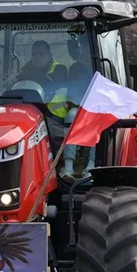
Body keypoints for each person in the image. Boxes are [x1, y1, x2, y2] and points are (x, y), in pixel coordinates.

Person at [47, 37, 96, 180]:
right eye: (83, 48)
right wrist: (77, 104)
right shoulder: (76, 68)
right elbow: (74, 92)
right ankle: (68, 167)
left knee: (98, 121)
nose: (85, 51)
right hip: (79, 106)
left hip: (98, 107)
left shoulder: (100, 66)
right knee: (71, 117)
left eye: (87, 48)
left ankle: (91, 165)